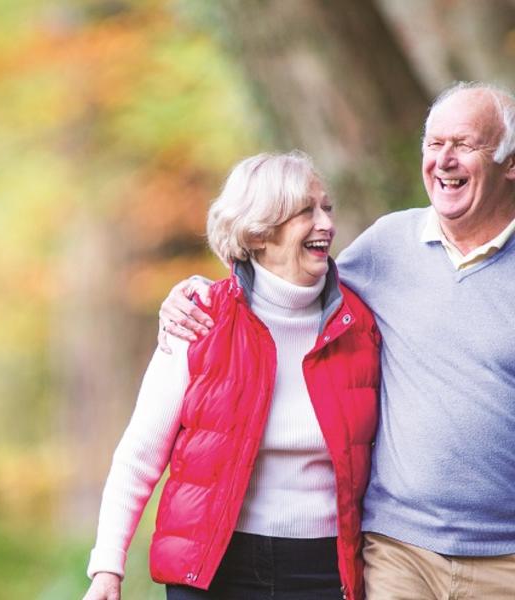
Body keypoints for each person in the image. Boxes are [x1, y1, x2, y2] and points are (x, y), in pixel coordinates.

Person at [159, 81, 515, 598]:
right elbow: (289, 285)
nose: (444, 159)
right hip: (399, 548)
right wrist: (198, 296)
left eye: (464, 145)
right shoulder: (388, 246)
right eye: (434, 144)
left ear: (510, 163)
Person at [83, 151, 380, 600]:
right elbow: (140, 456)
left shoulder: (360, 325)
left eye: (327, 208)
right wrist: (107, 568)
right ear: (258, 233)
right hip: (214, 568)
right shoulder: (199, 319)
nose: (325, 224)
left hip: (324, 570)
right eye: (306, 211)